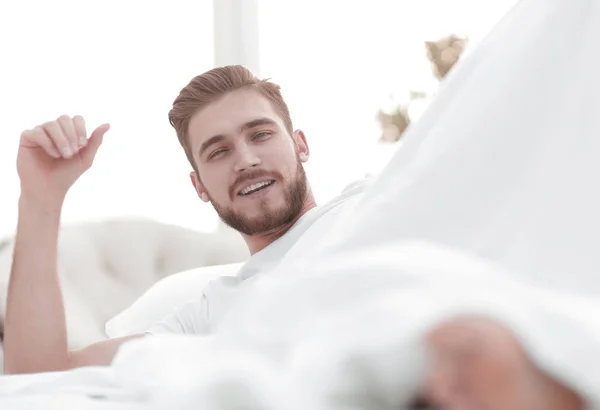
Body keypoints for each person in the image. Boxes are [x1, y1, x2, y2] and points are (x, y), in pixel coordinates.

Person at [3, 65, 583, 410]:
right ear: (199, 186)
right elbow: (38, 372)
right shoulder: (207, 314)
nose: (246, 160)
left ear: (300, 144)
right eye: (219, 151)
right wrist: (41, 197)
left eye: (260, 134)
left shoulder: (379, 201)